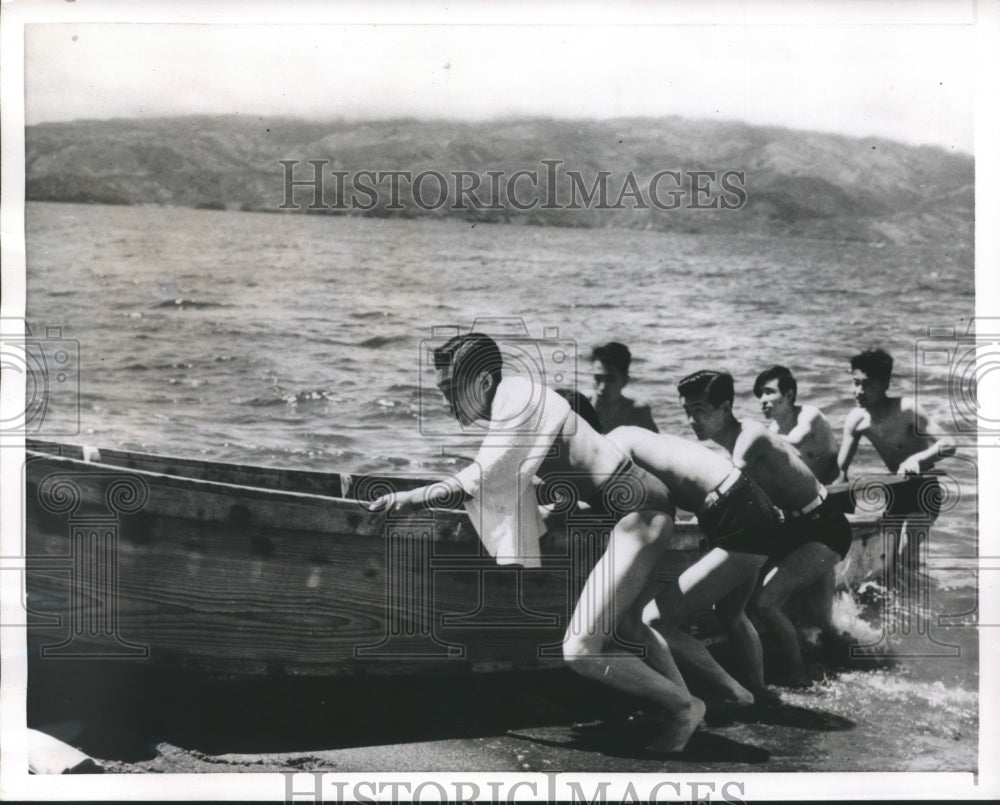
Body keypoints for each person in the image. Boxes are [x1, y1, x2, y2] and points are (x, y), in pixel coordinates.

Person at [367, 333, 702, 752]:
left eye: (450, 389)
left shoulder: (515, 401)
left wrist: (411, 498)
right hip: (635, 506)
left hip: (640, 512)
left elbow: (482, 476)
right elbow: (553, 475)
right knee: (629, 626)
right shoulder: (517, 397)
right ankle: (686, 706)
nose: (446, 402)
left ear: (482, 381)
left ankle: (684, 707)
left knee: (580, 650)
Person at [666, 370, 853, 689]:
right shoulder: (741, 439)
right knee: (758, 605)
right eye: (687, 411)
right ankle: (806, 657)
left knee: (764, 603)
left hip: (824, 527)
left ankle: (799, 676)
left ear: (725, 408)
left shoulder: (749, 439)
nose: (691, 421)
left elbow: (723, 488)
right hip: (795, 526)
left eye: (699, 410)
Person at [606, 426, 782, 705]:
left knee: (653, 622)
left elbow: (622, 500)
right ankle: (758, 693)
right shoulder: (635, 435)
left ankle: (737, 693)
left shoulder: (613, 443)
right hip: (751, 503)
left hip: (735, 515)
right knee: (732, 613)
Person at [837, 348, 955, 578]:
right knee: (889, 564)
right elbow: (840, 470)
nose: (858, 391)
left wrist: (918, 458)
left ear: (885, 384)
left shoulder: (906, 409)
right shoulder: (856, 419)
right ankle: (906, 592)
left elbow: (949, 443)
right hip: (896, 492)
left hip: (924, 490)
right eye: (855, 383)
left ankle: (919, 593)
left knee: (906, 555)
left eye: (866, 385)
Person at [753, 365, 839, 484]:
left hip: (836, 488)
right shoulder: (773, 430)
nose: (762, 400)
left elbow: (795, 440)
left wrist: (756, 436)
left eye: (768, 392)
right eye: (760, 394)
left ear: (789, 395)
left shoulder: (808, 414)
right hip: (812, 491)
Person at [589, 342, 658, 433]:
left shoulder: (638, 413)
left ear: (625, 381)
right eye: (597, 378)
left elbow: (656, 441)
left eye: (610, 380)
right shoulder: (578, 407)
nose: (602, 387)